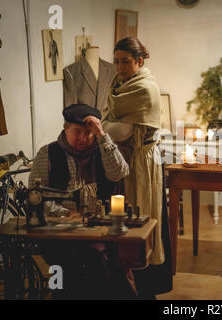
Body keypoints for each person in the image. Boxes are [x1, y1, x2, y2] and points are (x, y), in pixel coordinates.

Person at [29, 103, 133, 298]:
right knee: (62, 264)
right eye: (77, 132)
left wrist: (102, 136)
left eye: (88, 133)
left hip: (97, 231)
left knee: (96, 258)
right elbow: (36, 197)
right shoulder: (48, 154)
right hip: (58, 231)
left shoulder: (102, 151)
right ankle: (59, 294)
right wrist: (65, 214)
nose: (83, 138)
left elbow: (120, 172)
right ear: (65, 128)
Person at [102, 37, 172, 298]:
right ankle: (124, 279)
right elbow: (112, 122)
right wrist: (107, 127)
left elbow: (121, 130)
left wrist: (102, 129)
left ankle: (144, 282)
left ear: (140, 61)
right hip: (123, 161)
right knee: (124, 217)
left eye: (126, 61)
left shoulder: (145, 87)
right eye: (117, 61)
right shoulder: (118, 85)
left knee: (142, 214)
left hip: (142, 162)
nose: (119, 67)